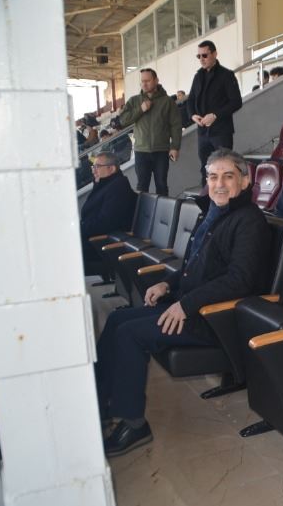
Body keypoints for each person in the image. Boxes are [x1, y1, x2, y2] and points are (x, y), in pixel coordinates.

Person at [96, 150, 270, 457]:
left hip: (215, 320)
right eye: (213, 177)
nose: (219, 184)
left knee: (129, 334)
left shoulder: (249, 221)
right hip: (192, 307)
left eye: (228, 176)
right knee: (117, 320)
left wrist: (185, 304)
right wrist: (168, 283)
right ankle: (101, 405)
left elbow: (239, 280)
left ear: (244, 181)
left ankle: (133, 423)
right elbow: (193, 267)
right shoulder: (213, 213)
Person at [187, 40, 244, 185]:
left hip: (221, 132)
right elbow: (191, 99)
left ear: (214, 54)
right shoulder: (198, 76)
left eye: (205, 55)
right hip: (202, 132)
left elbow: (236, 102)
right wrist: (192, 115)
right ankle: (207, 197)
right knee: (205, 169)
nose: (201, 59)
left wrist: (215, 115)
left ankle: (226, 198)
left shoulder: (226, 75)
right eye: (198, 56)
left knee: (224, 168)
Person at [118, 68, 181, 196]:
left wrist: (175, 147)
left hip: (161, 150)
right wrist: (140, 109)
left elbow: (176, 125)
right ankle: (142, 210)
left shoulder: (167, 101)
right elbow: (123, 120)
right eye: (142, 81)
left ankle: (163, 209)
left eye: (147, 81)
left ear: (156, 80)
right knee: (142, 186)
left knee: (162, 185)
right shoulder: (134, 101)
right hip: (141, 151)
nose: (144, 84)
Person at [80, 152, 137, 278]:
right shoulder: (105, 185)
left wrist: (79, 230)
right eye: (93, 167)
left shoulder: (118, 187)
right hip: (94, 238)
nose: (93, 170)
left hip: (104, 243)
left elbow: (106, 222)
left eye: (97, 167)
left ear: (111, 169)